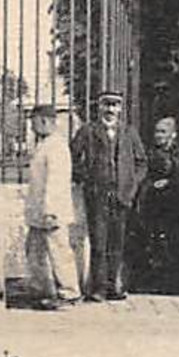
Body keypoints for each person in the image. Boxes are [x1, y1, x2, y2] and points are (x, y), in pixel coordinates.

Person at [70, 91, 148, 302]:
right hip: (97, 194)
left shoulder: (129, 133)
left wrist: (132, 183)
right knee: (99, 242)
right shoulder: (88, 131)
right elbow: (73, 157)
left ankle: (114, 286)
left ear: (121, 109)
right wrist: (85, 177)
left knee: (117, 242)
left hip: (122, 195)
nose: (110, 110)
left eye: (115, 106)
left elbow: (141, 162)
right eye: (106, 105)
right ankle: (98, 288)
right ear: (99, 107)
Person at [21, 104, 81, 311]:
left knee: (59, 252)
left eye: (34, 122)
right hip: (38, 211)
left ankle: (69, 293)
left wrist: (51, 211)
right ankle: (41, 291)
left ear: (45, 121)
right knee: (34, 251)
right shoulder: (44, 144)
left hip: (51, 211)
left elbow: (56, 181)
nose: (32, 127)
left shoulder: (57, 146)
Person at [137, 116, 179, 294]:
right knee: (157, 244)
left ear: (173, 134)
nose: (158, 135)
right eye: (156, 131)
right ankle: (160, 283)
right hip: (156, 206)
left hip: (178, 207)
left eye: (163, 131)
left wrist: (169, 183)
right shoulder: (149, 153)